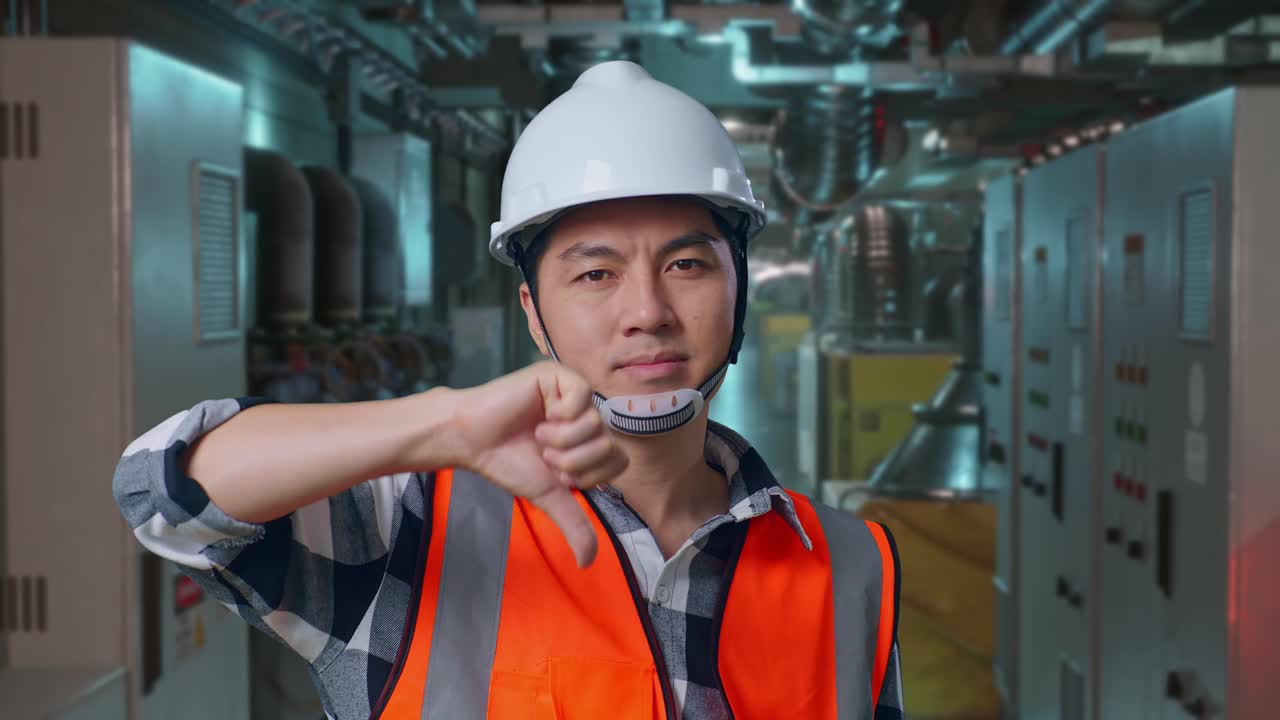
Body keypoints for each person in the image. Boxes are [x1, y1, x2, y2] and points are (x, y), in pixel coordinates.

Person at [113, 60, 903, 720]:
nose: (648, 312)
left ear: (741, 290)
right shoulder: (408, 532)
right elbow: (164, 494)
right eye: (596, 273)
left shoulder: (849, 563)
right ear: (533, 312)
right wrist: (440, 424)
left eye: (687, 264)